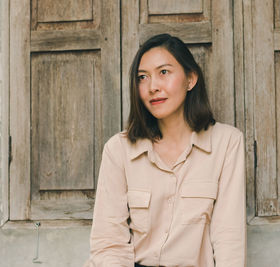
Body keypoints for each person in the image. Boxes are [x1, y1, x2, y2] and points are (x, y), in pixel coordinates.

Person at [86, 34, 246, 267]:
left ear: (190, 79)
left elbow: (229, 240)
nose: (152, 87)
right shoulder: (118, 150)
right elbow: (109, 244)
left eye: (164, 72)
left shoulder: (227, 143)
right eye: (143, 77)